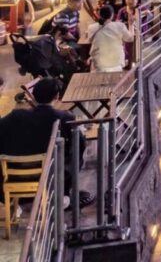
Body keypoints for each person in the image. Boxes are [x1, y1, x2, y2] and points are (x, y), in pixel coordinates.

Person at [0, 78, 94, 208]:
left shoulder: (15, 116)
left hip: (14, 178)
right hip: (50, 178)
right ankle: (63, 195)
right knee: (77, 146)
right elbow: (79, 149)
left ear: (33, 96)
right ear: (56, 96)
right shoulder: (65, 117)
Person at [84, 6, 134, 72]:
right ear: (112, 15)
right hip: (117, 63)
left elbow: (90, 41)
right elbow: (130, 38)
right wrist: (131, 25)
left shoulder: (91, 27)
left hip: (99, 65)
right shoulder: (120, 25)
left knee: (92, 61)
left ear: (99, 14)